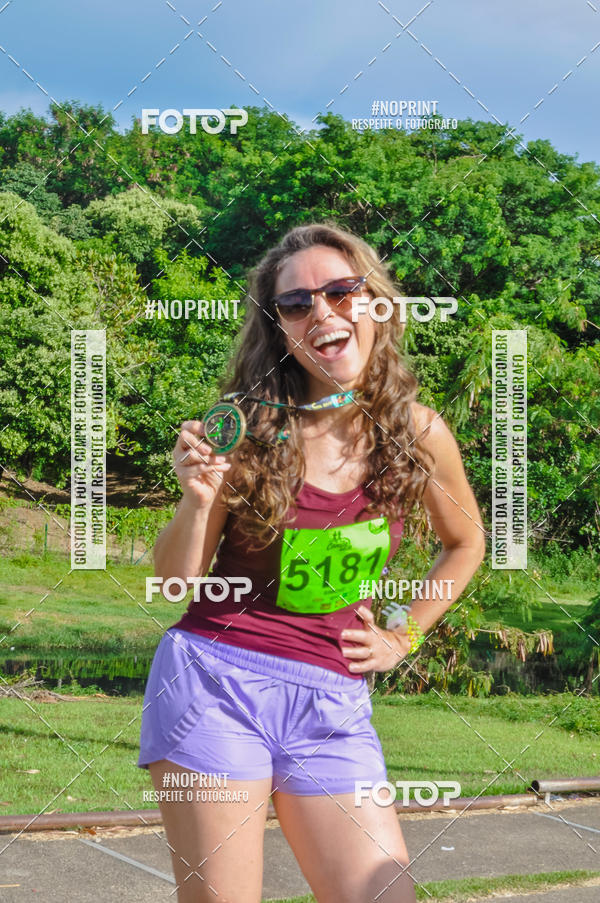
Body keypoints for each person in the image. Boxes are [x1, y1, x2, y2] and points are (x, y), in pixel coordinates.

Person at [137, 222, 486, 903]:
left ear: (374, 302)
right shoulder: (244, 426)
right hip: (216, 682)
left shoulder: (419, 433)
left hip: (331, 701)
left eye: (340, 290)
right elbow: (175, 579)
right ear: (281, 329)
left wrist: (404, 632)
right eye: (296, 304)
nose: (321, 312)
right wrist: (196, 499)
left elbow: (466, 540)